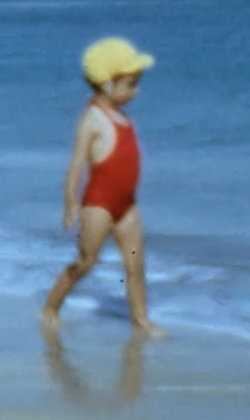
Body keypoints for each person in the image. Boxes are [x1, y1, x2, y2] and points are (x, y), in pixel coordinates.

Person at [39, 37, 166, 339]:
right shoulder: (92, 120)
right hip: (98, 204)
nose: (136, 91)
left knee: (136, 264)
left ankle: (141, 321)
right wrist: (70, 202)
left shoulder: (122, 116)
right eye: (131, 84)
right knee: (86, 261)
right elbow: (77, 164)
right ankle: (50, 308)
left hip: (127, 205)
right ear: (108, 85)